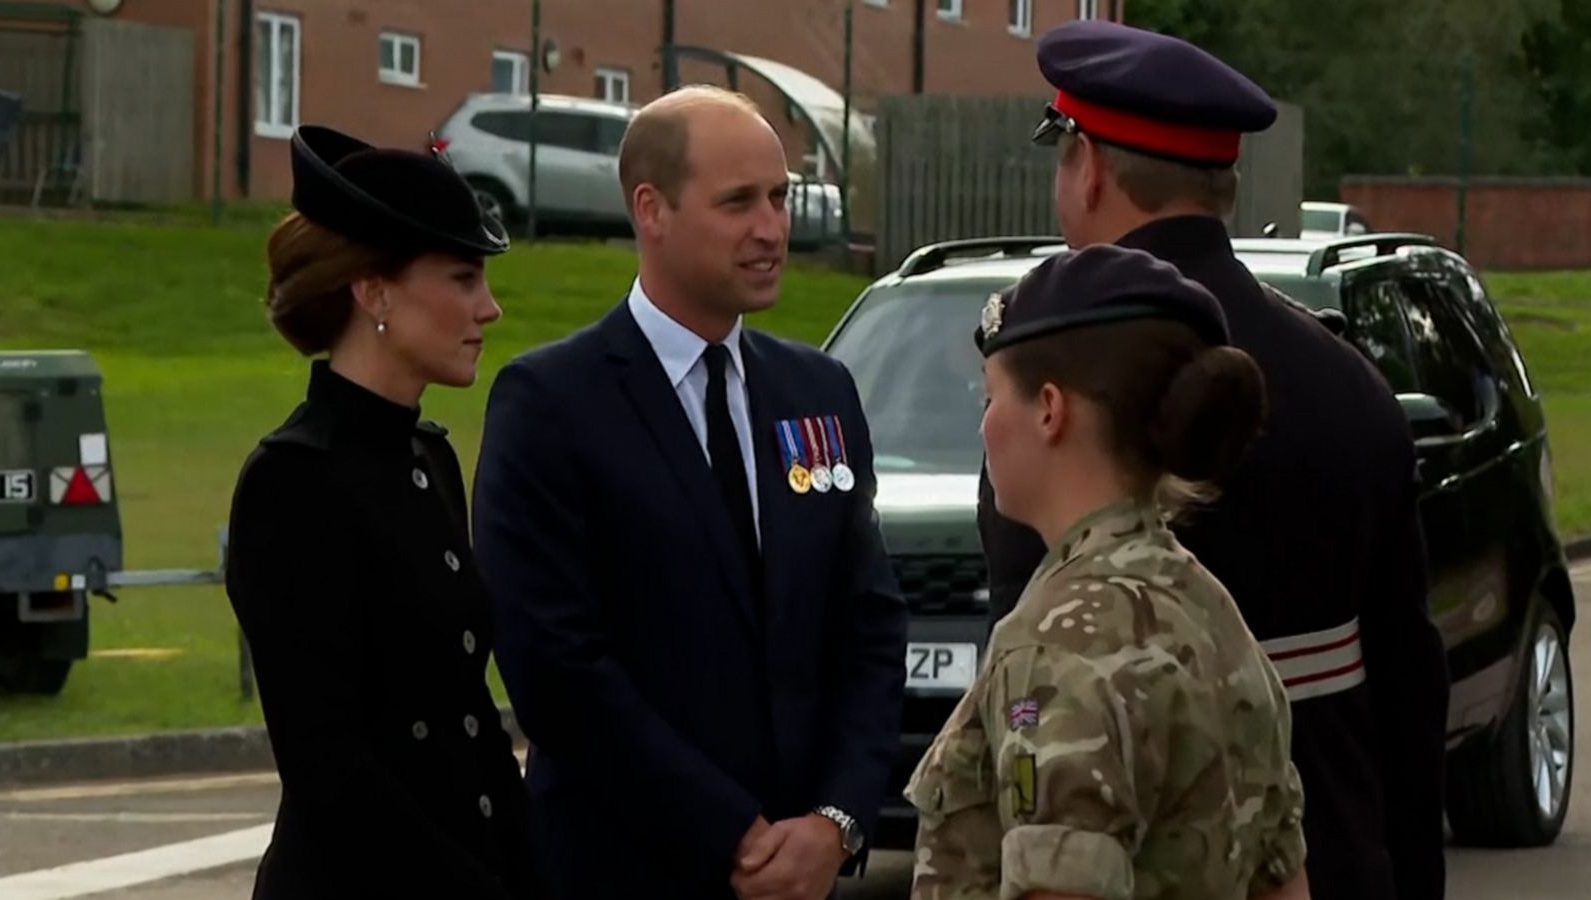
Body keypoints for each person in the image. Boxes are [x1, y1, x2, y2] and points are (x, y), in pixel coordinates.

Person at [977, 19, 1449, 900]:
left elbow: (1024, 702)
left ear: (1091, 168)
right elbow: (1410, 692)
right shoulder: (1351, 383)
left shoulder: (1055, 388)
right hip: (1333, 861)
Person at [472, 85, 908, 900]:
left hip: (800, 874)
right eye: (738, 202)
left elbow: (869, 628)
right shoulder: (553, 403)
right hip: (620, 872)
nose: (771, 228)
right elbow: (554, 665)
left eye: (780, 198)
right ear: (652, 209)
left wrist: (835, 822)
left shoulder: (818, 392)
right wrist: (732, 833)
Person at [908, 243, 1309, 900]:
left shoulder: (1055, 647)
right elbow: (1283, 881)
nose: (983, 427)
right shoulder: (1210, 612)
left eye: (989, 398)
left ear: (1048, 409)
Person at [223, 124, 544, 899]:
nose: (489, 308)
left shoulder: (428, 458)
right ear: (373, 292)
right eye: (463, 278)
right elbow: (328, 765)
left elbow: (466, 713)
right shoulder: (292, 482)